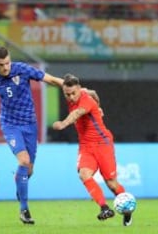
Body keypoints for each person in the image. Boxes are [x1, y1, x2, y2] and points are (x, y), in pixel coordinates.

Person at [0, 46, 64, 224]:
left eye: (7, 63)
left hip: (29, 124)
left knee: (28, 170)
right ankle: (24, 209)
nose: (5, 68)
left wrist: (70, 86)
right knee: (23, 160)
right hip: (9, 124)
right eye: (1, 65)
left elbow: (49, 79)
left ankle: (19, 183)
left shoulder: (22, 69)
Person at [52, 73, 132, 226]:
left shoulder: (85, 100)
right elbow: (94, 92)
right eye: (67, 94)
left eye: (73, 93)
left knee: (112, 184)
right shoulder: (81, 92)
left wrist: (63, 123)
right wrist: (100, 106)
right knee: (84, 174)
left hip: (103, 143)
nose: (70, 97)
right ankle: (104, 208)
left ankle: (128, 210)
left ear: (79, 89)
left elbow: (77, 113)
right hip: (86, 146)